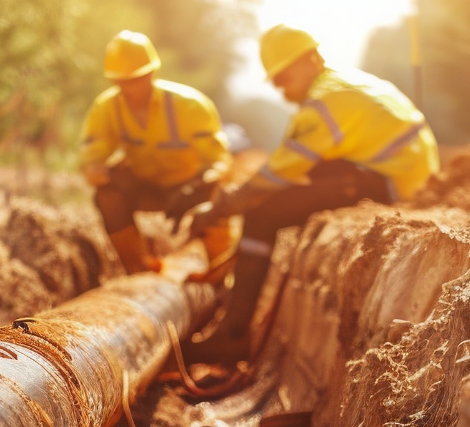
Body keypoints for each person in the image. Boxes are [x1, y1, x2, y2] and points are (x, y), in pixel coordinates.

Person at [186, 24, 439, 361]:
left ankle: (233, 335)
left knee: (263, 215)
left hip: (393, 182)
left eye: (282, 76)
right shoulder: (344, 84)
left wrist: (220, 208)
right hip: (402, 174)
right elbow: (290, 170)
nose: (279, 87)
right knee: (286, 191)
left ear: (312, 59)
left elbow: (277, 173)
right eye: (274, 80)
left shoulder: (323, 104)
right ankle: (232, 323)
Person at [78, 31, 235, 275]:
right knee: (107, 196)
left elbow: (220, 161)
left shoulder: (191, 106)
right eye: (121, 81)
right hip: (144, 188)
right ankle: (137, 269)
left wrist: (202, 183)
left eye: (135, 79)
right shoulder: (105, 109)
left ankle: (221, 275)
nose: (129, 88)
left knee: (217, 197)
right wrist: (103, 174)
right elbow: (90, 163)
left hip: (189, 187)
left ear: (152, 73)